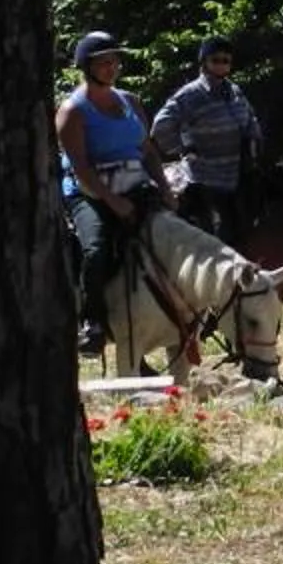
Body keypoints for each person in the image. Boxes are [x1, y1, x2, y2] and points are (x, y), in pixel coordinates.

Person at [55, 31, 169, 352]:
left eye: (114, 60)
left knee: (174, 233)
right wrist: (113, 202)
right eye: (103, 62)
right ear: (86, 67)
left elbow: (147, 151)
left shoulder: (130, 101)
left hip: (134, 183)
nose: (112, 66)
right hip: (89, 192)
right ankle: (92, 324)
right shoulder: (71, 112)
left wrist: (165, 189)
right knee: (97, 247)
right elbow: (81, 169)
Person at [147, 35, 263, 248]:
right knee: (221, 240)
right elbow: (160, 127)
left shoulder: (235, 92)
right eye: (216, 60)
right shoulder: (190, 95)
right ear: (204, 62)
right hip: (205, 181)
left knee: (253, 230)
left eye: (226, 60)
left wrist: (253, 140)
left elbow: (250, 118)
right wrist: (183, 148)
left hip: (238, 176)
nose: (221, 65)